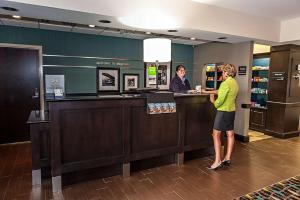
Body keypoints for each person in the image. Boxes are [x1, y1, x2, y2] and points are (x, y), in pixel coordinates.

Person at [202, 64, 239, 170]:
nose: (222, 74)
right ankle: (227, 158)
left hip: (223, 112)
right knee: (230, 134)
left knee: (215, 134)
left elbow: (219, 102)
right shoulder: (234, 83)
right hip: (231, 111)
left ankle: (217, 161)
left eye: (223, 72)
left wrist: (213, 101)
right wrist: (209, 91)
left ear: (227, 73)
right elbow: (222, 92)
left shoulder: (224, 83)